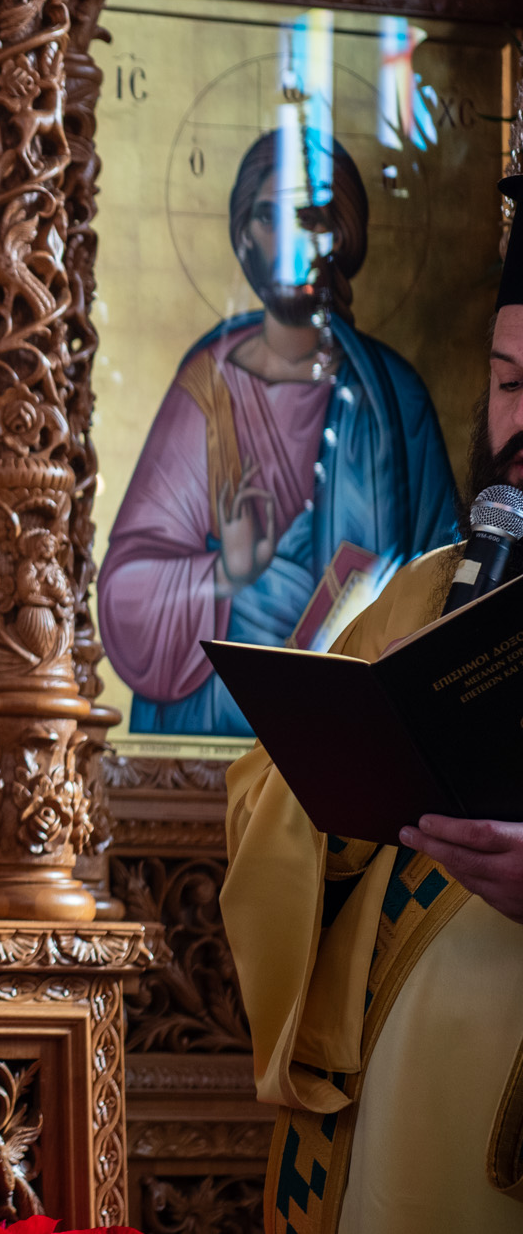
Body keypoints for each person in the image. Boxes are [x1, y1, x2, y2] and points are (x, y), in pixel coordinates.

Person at [224, 176, 523, 1234]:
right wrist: (349, 776)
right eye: (508, 383)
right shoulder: (420, 592)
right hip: (376, 1128)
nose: (520, 422)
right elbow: (255, 799)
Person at [98, 131, 458, 736]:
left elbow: (447, 580)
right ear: (245, 235)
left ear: (341, 235)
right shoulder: (208, 391)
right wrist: (225, 574)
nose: (290, 242)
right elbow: (123, 594)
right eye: (270, 217)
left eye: (310, 218)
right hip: (217, 728)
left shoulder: (394, 399)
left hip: (354, 735)